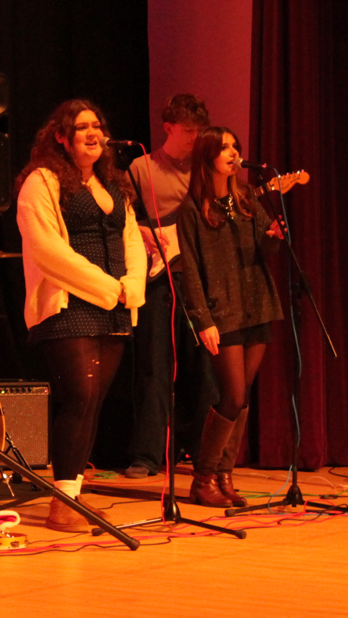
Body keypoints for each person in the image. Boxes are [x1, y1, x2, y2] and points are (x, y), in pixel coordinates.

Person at [15, 99, 147, 532]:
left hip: (113, 306)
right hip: (69, 303)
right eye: (82, 127)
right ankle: (60, 502)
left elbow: (132, 239)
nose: (93, 133)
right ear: (61, 137)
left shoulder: (113, 182)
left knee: (95, 403)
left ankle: (73, 495)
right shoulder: (44, 181)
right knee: (79, 397)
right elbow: (47, 250)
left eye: (98, 126)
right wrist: (111, 288)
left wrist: (133, 287)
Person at [177, 127, 283, 507]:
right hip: (223, 312)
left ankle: (224, 475)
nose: (233, 152)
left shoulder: (245, 200)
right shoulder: (192, 209)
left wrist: (273, 235)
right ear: (208, 156)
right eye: (224, 147)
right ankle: (202, 478)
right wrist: (202, 319)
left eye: (235, 146)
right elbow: (189, 269)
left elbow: (261, 250)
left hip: (256, 303)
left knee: (242, 397)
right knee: (232, 394)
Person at [125, 94, 218, 478]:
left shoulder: (208, 169)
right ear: (168, 128)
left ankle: (205, 454)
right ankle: (148, 455)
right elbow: (123, 219)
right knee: (154, 365)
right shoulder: (141, 167)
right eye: (189, 132)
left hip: (200, 275)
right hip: (157, 274)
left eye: (200, 132)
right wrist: (144, 231)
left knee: (207, 367)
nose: (196, 139)